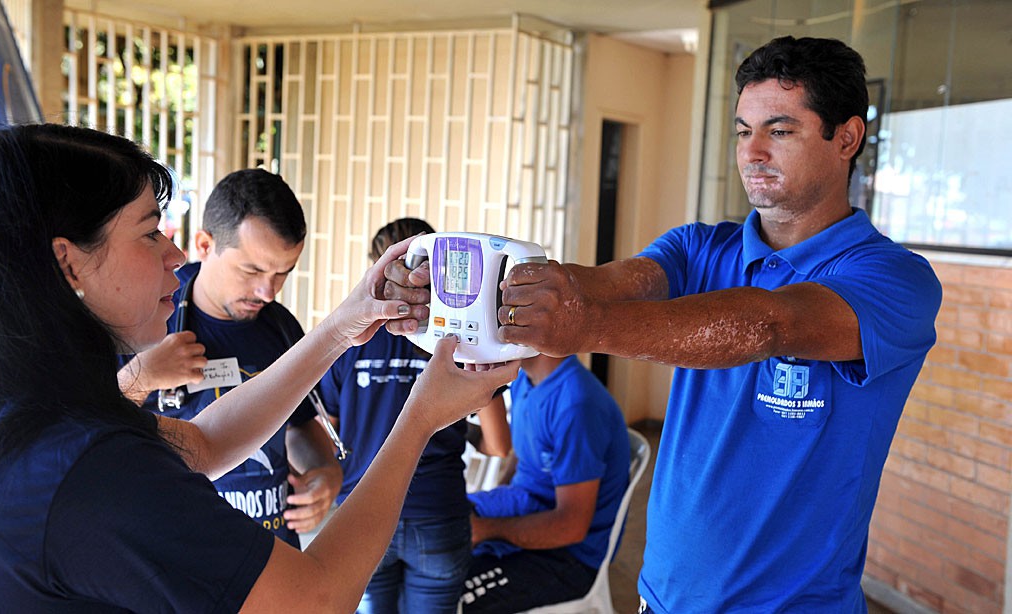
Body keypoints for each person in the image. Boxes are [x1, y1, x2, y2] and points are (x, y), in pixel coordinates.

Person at [385, 37, 943, 612]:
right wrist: (461, 295)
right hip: (662, 597)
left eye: (779, 131)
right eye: (742, 130)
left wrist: (581, 326)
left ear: (846, 137)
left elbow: (770, 324)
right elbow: (601, 283)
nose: (751, 151)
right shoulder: (699, 247)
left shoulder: (895, 280)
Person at [0, 123, 520, 611]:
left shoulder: (33, 409)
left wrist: (339, 327)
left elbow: (204, 445)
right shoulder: (88, 468)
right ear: (68, 261)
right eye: (150, 232)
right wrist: (421, 417)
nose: (174, 256)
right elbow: (317, 599)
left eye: (283, 273)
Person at [117, 168, 338, 546]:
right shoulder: (144, 316)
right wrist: (141, 376)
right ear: (204, 245)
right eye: (251, 269)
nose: (267, 291)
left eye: (282, 273)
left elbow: (299, 423)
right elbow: (91, 428)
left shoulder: (281, 328)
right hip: (179, 548)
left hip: (269, 548)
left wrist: (324, 470)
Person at [320, 217, 511, 614]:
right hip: (436, 514)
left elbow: (330, 439)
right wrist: (453, 427)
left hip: (362, 516)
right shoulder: (462, 341)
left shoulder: (349, 343)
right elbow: (498, 446)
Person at [460, 353, 629, 613]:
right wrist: (496, 503)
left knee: (446, 598)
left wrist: (486, 529)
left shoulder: (577, 404)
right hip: (525, 513)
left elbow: (570, 527)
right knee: (426, 555)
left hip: (568, 558)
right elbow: (522, 454)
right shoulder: (524, 381)